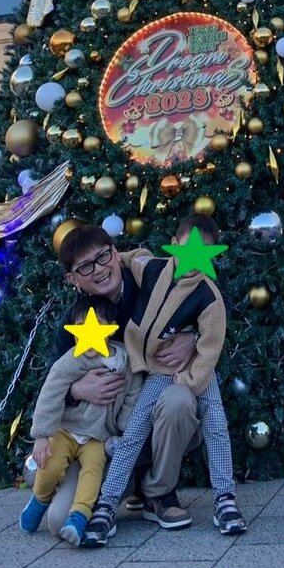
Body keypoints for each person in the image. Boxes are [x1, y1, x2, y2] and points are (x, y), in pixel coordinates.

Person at [83, 214, 246, 546]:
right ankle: (106, 504)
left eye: (205, 253)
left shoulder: (208, 296)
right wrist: (119, 257)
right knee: (134, 432)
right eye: (188, 250)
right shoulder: (154, 269)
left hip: (195, 371)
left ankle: (225, 500)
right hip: (156, 370)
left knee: (215, 422)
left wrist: (187, 379)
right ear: (175, 243)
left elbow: (211, 345)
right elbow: (132, 257)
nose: (194, 261)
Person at [47, 225, 201, 532]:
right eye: (85, 266)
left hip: (158, 414)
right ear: (72, 279)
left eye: (103, 257)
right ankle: (129, 485)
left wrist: (194, 336)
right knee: (59, 522)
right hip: (103, 440)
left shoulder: (153, 282)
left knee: (179, 401)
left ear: (116, 254)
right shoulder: (74, 320)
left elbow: (211, 301)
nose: (99, 269)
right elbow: (52, 382)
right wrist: (76, 390)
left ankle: (159, 494)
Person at [19, 298, 139, 546]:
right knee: (50, 467)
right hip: (66, 430)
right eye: (81, 326)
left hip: (97, 437)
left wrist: (124, 428)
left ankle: (79, 517)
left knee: (92, 474)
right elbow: (51, 391)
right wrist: (42, 435)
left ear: (111, 328)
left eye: (97, 325)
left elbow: (132, 393)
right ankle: (40, 499)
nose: (89, 332)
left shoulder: (124, 362)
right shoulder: (74, 360)